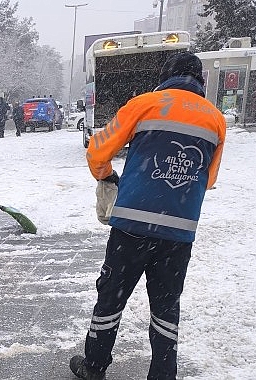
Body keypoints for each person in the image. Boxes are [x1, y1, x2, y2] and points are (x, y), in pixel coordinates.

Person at [69, 52, 226, 380]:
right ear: (200, 80)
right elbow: (208, 179)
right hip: (179, 234)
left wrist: (106, 175)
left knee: (111, 299)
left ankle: (94, 367)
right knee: (166, 309)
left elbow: (98, 150)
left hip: (132, 227)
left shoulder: (145, 104)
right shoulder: (216, 119)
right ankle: (163, 374)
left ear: (167, 75)